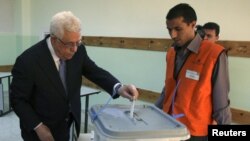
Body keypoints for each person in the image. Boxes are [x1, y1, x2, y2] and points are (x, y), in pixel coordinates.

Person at [10, 11, 139, 141]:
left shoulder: (78, 50)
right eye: (70, 44)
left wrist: (119, 88)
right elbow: (17, 100)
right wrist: (38, 127)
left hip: (67, 124)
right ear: (54, 40)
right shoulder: (28, 61)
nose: (75, 49)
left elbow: (94, 71)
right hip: (40, 130)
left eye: (78, 42)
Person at [156, 3, 231, 141]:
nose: (172, 35)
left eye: (178, 29)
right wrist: (153, 112)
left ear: (193, 24)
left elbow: (221, 103)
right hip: (168, 125)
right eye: (169, 29)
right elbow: (168, 87)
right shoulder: (171, 52)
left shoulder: (214, 53)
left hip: (195, 132)